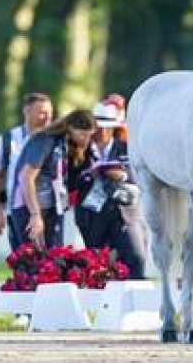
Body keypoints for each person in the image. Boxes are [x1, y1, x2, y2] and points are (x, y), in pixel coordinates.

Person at [69, 102, 145, 278]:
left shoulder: (128, 147)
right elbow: (69, 182)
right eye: (99, 128)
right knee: (95, 266)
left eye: (107, 128)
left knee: (135, 259)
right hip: (91, 215)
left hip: (124, 213)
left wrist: (123, 176)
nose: (102, 132)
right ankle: (98, 304)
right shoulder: (78, 150)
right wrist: (88, 174)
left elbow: (142, 178)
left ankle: (134, 304)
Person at [13, 109, 95, 249]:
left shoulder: (65, 145)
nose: (86, 140)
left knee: (54, 261)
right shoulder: (45, 140)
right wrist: (35, 215)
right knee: (32, 262)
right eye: (82, 134)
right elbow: (26, 177)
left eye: (89, 136)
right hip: (31, 208)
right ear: (70, 128)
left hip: (53, 208)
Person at [0, 93, 53, 251]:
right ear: (27, 111)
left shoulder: (55, 139)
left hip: (51, 210)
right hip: (18, 211)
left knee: (53, 265)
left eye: (50, 112)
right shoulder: (9, 139)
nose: (48, 117)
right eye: (42, 112)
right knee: (23, 263)